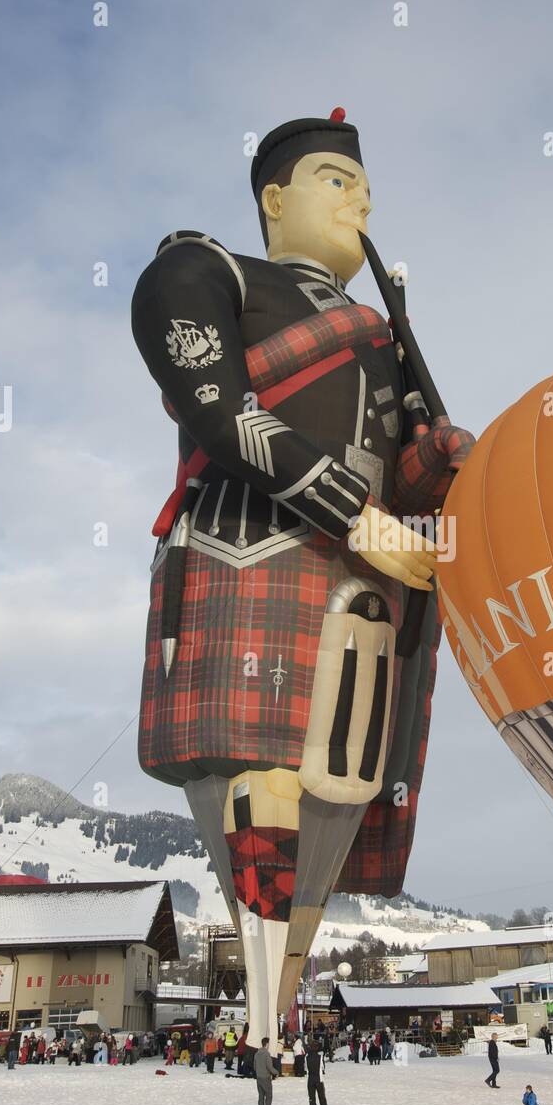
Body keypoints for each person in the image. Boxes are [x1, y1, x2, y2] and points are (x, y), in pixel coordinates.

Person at [131, 108, 473, 1053]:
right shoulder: (209, 272)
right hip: (249, 554)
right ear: (273, 199)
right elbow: (218, 410)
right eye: (334, 178)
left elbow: (401, 469)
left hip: (364, 593)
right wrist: (360, 516)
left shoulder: (386, 338)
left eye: (363, 185)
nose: (359, 196)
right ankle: (262, 1010)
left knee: (342, 773)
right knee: (260, 769)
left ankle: (275, 1012)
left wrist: (438, 466)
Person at [306, 1038, 332, 1105]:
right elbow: (323, 1068)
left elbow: (305, 1068)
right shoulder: (320, 1057)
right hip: (319, 1079)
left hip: (310, 1080)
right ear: (317, 1048)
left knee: (312, 1100)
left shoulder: (307, 1057)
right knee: (322, 1099)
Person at [254, 1037, 279, 1105]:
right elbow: (270, 1067)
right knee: (268, 1097)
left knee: (261, 1097)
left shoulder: (257, 1054)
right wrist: (276, 1072)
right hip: (266, 1078)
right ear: (267, 1044)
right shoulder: (266, 1054)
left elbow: (254, 1066)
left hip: (259, 1078)